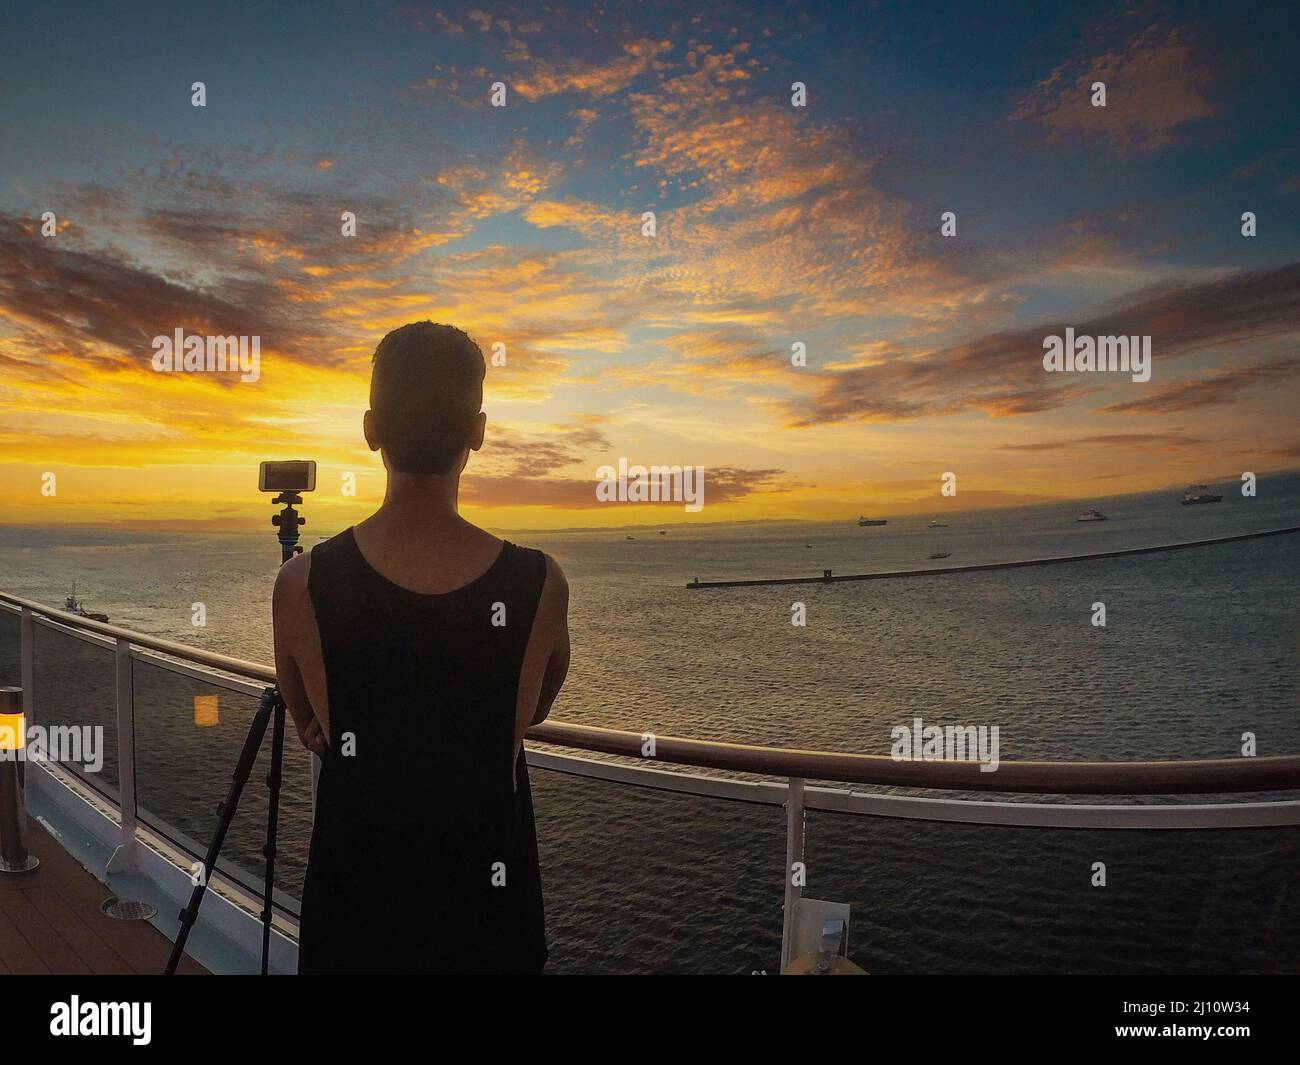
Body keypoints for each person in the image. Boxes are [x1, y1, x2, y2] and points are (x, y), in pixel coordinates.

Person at [272, 321, 570, 974]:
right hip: (490, 923)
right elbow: (532, 711)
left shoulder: (300, 584)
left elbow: (310, 723)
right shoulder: (540, 583)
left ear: (371, 428)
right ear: (478, 431)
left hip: (357, 917)